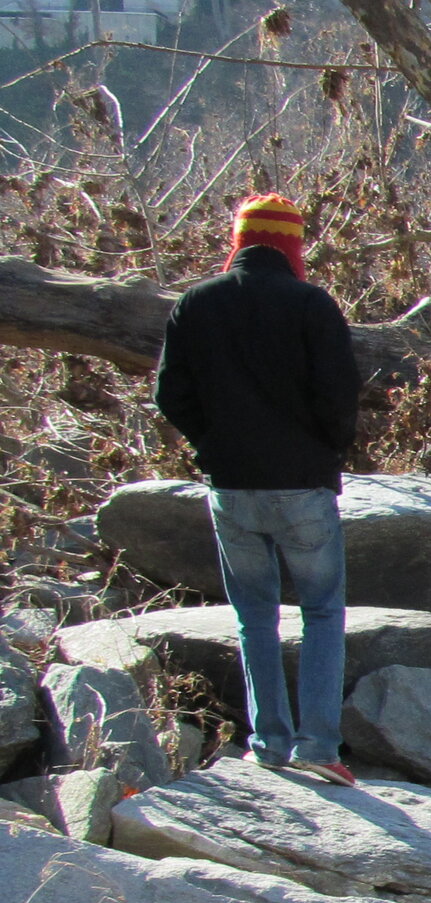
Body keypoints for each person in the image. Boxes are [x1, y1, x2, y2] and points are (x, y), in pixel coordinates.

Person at [153, 194, 360, 785]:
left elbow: (171, 396)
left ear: (240, 240)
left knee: (254, 616)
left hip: (231, 486)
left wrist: (212, 443)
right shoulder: (312, 304)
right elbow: (339, 396)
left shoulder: (194, 304)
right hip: (302, 486)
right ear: (292, 245)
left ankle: (268, 743)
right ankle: (318, 745)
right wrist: (327, 450)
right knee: (321, 611)